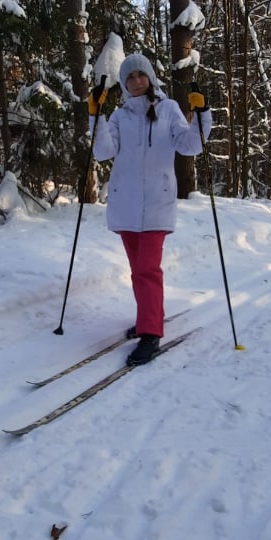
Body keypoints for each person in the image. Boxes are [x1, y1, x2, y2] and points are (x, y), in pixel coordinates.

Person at [88, 52, 212, 366]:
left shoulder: (169, 109)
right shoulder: (119, 116)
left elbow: (190, 145)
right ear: (124, 84)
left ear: (151, 78)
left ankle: (151, 333)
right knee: (139, 271)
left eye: (141, 75)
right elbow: (103, 152)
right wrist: (97, 115)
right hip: (126, 204)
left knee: (147, 269)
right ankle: (148, 318)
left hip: (158, 202)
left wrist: (201, 113)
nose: (137, 81)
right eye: (130, 78)